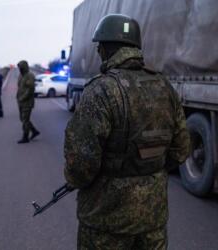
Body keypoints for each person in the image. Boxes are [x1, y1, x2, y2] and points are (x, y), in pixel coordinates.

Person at [64, 14, 190, 249]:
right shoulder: (164, 86)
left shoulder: (100, 90)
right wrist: (148, 172)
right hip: (153, 217)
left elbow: (81, 165)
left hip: (106, 222)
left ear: (103, 49)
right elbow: (181, 149)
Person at [16, 60, 40, 143]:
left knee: (25, 119)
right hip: (20, 101)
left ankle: (25, 137)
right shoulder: (21, 76)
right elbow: (20, 87)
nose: (20, 69)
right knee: (22, 119)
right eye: (19, 67)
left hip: (27, 101)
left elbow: (30, 89)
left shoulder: (29, 76)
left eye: (21, 67)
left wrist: (23, 97)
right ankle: (34, 131)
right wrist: (18, 97)